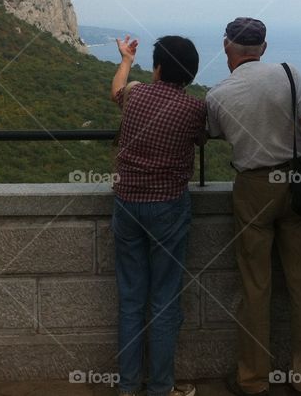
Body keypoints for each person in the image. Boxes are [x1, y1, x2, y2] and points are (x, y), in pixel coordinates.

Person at [206, 17, 301, 396]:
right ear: (263, 47)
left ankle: (252, 380)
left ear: (227, 46)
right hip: (297, 184)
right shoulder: (288, 73)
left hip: (253, 187)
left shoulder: (217, 94)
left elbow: (210, 135)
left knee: (255, 285)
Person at [110, 35, 206, 396]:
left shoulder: (134, 94)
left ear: (158, 67)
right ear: (191, 74)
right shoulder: (195, 110)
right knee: (165, 301)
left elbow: (117, 88)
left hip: (127, 203)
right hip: (167, 206)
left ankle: (127, 386)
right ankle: (161, 387)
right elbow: (202, 138)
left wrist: (125, 60)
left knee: (131, 298)